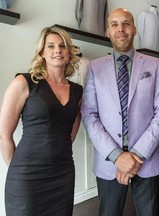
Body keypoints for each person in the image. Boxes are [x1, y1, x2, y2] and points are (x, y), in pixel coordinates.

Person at [81, 8, 159, 216]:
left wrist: (136, 155)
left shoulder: (155, 65)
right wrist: (116, 156)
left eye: (126, 23)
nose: (120, 29)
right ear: (107, 32)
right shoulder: (95, 68)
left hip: (146, 159)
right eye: (114, 24)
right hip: (108, 160)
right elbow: (89, 114)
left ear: (134, 29)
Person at [0, 26, 83, 216]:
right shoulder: (24, 82)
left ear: (69, 53)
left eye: (62, 46)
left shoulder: (77, 91)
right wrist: (17, 170)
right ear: (42, 52)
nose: (57, 51)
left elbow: (70, 132)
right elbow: (3, 134)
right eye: (51, 46)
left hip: (62, 173)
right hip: (26, 176)